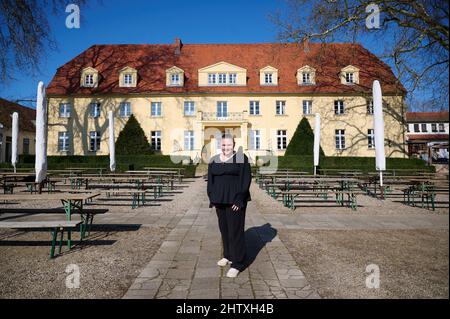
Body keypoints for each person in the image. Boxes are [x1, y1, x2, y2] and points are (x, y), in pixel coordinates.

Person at [207, 133, 252, 278]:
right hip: (219, 201)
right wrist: (212, 198)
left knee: (235, 231)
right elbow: (211, 181)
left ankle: (238, 262)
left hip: (235, 202)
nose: (226, 147)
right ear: (220, 145)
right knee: (224, 230)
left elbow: (246, 179)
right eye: (223, 145)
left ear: (234, 144)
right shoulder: (214, 160)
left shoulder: (241, 158)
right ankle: (228, 255)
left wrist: (239, 199)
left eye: (229, 144)